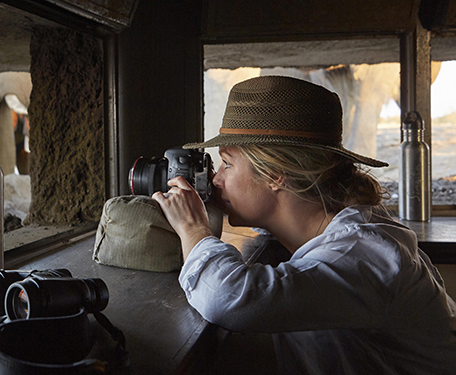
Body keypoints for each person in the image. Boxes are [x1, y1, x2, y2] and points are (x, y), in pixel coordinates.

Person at [152, 75, 456, 374]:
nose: (216, 179)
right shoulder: (335, 227)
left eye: (227, 164)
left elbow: (226, 298)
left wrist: (193, 228)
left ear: (276, 174)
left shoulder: (362, 253)